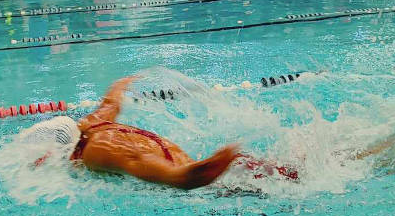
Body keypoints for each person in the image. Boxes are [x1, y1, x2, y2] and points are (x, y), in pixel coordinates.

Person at [29, 76, 241, 189]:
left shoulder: (96, 150)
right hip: (193, 165)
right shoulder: (91, 123)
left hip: (200, 180)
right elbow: (111, 102)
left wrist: (184, 176)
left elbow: (141, 161)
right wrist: (120, 84)